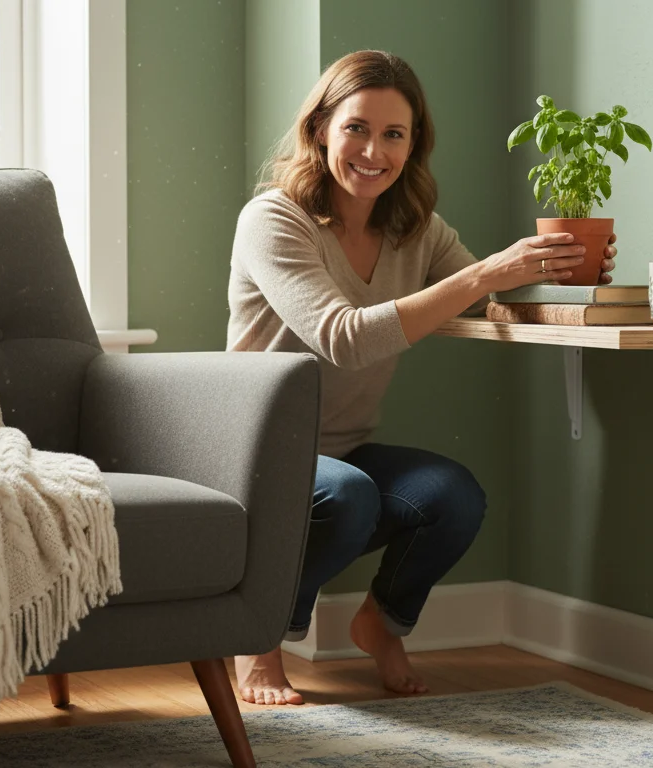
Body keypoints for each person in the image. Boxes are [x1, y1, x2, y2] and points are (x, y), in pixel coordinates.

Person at [226, 50, 618, 706]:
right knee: (349, 496)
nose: (373, 150)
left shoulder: (416, 231)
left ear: (413, 146)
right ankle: (256, 634)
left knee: (453, 495)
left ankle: (380, 624)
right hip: (258, 451)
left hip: (343, 449)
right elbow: (343, 337)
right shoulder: (273, 219)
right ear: (320, 128)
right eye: (357, 128)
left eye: (394, 134)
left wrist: (570, 279)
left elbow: (491, 302)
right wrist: (487, 273)